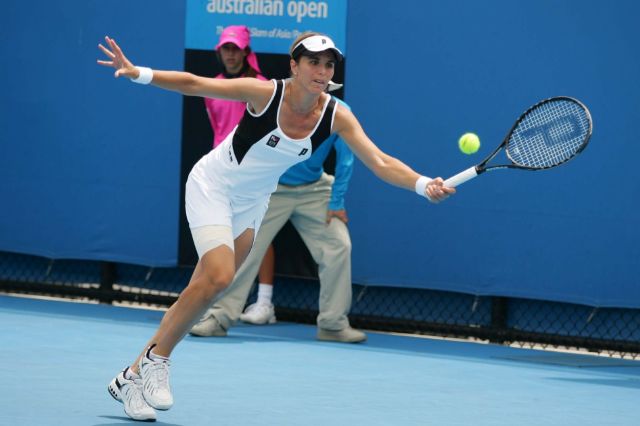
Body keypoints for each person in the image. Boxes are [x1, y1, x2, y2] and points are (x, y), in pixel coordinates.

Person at [97, 32, 455, 422]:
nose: (322, 71)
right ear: (294, 65)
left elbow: (380, 162)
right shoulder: (264, 93)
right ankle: (158, 360)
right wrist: (138, 73)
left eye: (329, 64)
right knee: (219, 276)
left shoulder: (337, 115)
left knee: (202, 291)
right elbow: (195, 84)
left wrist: (423, 184)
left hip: (253, 202)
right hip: (213, 186)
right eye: (314, 62)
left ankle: (132, 377)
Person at [190, 98, 359, 340]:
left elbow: (346, 158)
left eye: (326, 66)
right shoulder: (275, 101)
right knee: (244, 250)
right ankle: (218, 317)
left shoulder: (341, 112)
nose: (319, 76)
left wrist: (337, 201)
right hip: (267, 186)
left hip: (315, 189)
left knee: (339, 246)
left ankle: (333, 325)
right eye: (313, 64)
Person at [205, 25, 267, 148]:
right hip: (219, 159)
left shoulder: (262, 85)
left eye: (236, 48)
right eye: (226, 48)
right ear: (219, 51)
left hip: (251, 159)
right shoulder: (210, 86)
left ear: (245, 51)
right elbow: (217, 129)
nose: (230, 53)